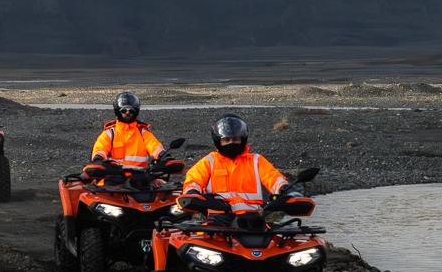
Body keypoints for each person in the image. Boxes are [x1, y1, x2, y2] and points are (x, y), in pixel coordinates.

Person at [178, 115, 307, 217]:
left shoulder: (256, 161)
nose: (231, 143)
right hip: (217, 220)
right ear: (218, 142)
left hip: (251, 220)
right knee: (195, 241)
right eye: (226, 140)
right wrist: (192, 194)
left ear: (242, 139)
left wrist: (287, 190)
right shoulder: (209, 161)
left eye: (235, 139)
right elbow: (193, 180)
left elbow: (273, 179)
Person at [87, 92, 167, 178]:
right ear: (118, 111)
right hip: (114, 177)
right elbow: (100, 149)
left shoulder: (143, 133)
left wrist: (164, 156)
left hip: (140, 177)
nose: (127, 113)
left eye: (131, 110)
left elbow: (155, 147)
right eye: (123, 110)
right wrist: (98, 160)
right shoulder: (109, 134)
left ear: (136, 111)